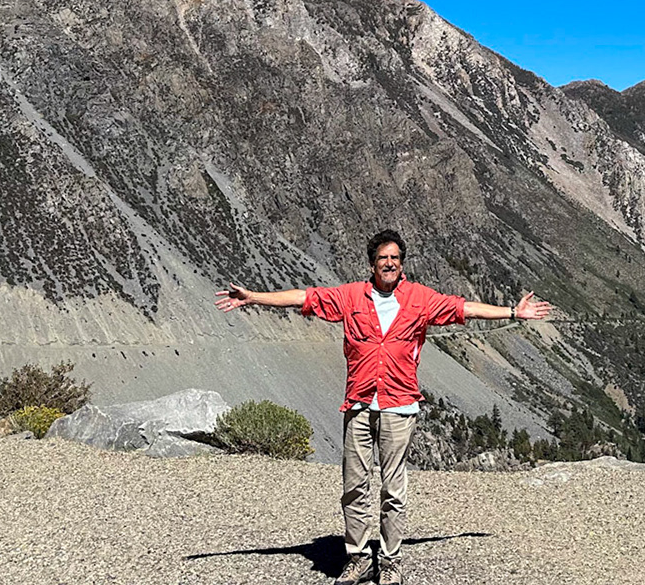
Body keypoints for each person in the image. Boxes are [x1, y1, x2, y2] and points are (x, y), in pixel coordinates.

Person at [216, 229, 553, 585]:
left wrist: (514, 313)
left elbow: (463, 309)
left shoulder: (420, 299)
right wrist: (253, 297)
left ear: (401, 263)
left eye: (394, 258)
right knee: (354, 485)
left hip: (399, 404)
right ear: (372, 263)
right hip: (359, 403)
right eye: (382, 258)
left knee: (393, 488)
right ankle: (358, 558)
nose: (389, 263)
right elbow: (305, 298)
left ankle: (391, 560)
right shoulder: (350, 297)